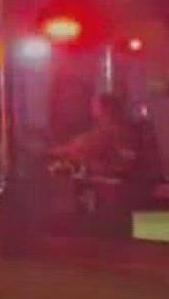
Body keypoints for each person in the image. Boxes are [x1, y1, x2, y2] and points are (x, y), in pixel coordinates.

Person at [48, 93, 144, 242]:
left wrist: (53, 151)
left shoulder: (109, 128)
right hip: (116, 178)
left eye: (96, 105)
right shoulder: (117, 125)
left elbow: (85, 145)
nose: (93, 108)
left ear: (104, 108)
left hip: (110, 179)